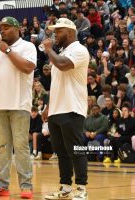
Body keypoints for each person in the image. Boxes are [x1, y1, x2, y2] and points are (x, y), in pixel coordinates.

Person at [0, 16, 36, 199]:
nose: (2, 31)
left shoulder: (27, 46)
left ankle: (26, 187)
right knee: (3, 147)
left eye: (6, 28)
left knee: (21, 147)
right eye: (1, 28)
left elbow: (28, 68)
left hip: (19, 104)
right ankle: (2, 187)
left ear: (17, 29)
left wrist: (8, 51)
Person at [40, 18, 90, 200]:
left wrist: (48, 49)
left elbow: (62, 64)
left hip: (72, 108)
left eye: (58, 31)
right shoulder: (61, 52)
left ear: (70, 32)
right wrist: (48, 107)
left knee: (76, 150)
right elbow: (57, 84)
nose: (55, 35)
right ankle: (66, 187)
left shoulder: (79, 50)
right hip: (56, 110)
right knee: (61, 152)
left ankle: (82, 188)